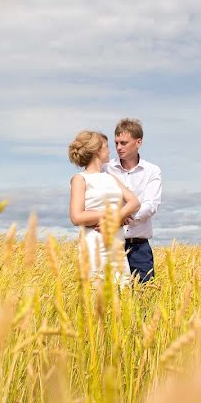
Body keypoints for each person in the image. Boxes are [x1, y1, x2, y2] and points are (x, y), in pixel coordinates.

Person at [68, 130, 140, 282]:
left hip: (117, 247)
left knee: (124, 296)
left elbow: (134, 202)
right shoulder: (80, 179)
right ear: (96, 151)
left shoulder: (110, 178)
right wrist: (115, 214)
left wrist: (116, 218)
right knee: (97, 296)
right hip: (94, 245)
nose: (110, 150)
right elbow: (77, 216)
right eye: (106, 146)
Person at [104, 118, 161, 283]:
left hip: (139, 247)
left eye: (123, 143)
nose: (119, 147)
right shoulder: (105, 168)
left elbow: (151, 205)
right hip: (110, 244)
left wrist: (123, 217)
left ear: (138, 142)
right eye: (116, 143)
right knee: (112, 297)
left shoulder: (152, 171)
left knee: (144, 296)